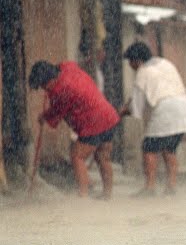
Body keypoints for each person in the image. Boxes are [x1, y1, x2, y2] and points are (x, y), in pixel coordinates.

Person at [28, 60, 121, 200]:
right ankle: (107, 195)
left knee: (77, 156)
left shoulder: (60, 90)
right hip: (108, 116)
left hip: (93, 122)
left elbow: (56, 113)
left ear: (50, 79)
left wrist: (44, 117)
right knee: (102, 157)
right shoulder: (67, 68)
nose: (44, 89)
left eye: (44, 86)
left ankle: (82, 196)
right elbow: (66, 64)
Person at [120, 41, 186, 197]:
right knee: (169, 149)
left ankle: (150, 187)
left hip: (166, 109)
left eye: (130, 62)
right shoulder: (165, 63)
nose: (130, 66)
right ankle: (171, 186)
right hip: (184, 106)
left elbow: (137, 107)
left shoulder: (143, 72)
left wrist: (124, 111)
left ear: (137, 60)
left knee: (149, 147)